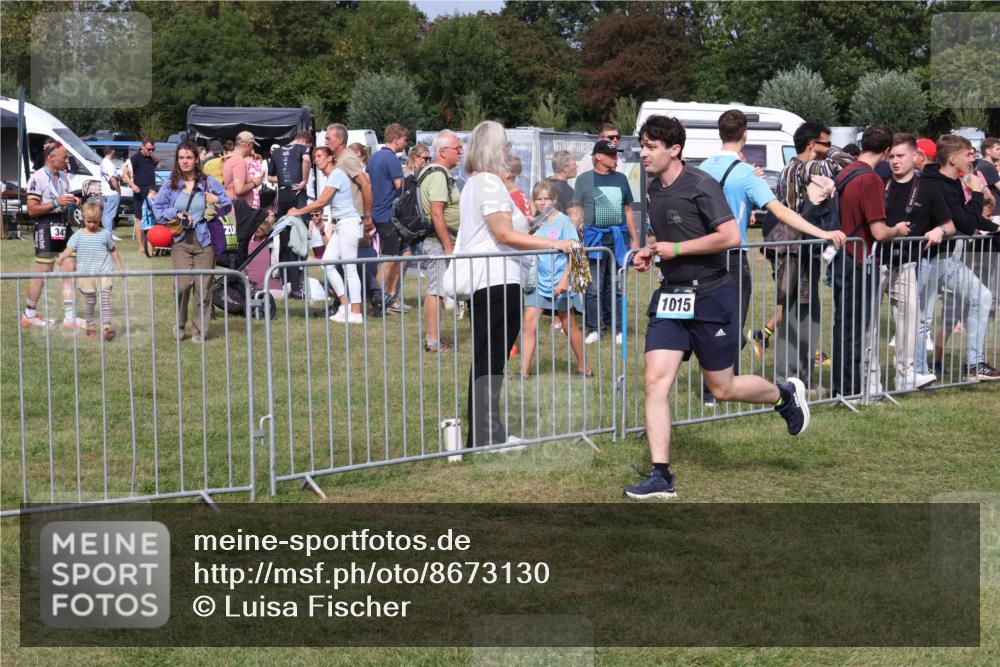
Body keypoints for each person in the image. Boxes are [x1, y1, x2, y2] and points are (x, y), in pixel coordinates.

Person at [623, 115, 809, 500]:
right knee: (655, 381)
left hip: (710, 295)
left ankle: (783, 395)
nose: (642, 153)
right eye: (642, 145)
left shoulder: (701, 184)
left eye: (650, 146)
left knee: (721, 388)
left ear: (674, 150)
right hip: (672, 296)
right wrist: (652, 252)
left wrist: (675, 250)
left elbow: (731, 235)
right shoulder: (653, 189)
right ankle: (661, 476)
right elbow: (669, 235)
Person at [698, 109, 846, 405]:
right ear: (745, 135)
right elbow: (781, 211)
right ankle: (724, 384)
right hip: (732, 254)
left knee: (712, 321)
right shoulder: (744, 173)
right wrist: (821, 231)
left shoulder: (702, 167)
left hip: (703, 254)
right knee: (732, 323)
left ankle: (710, 390)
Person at [458, 121, 574, 448]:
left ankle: (485, 433)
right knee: (491, 360)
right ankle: (485, 435)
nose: (509, 151)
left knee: (490, 359)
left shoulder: (474, 183)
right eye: (505, 146)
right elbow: (504, 235)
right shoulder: (489, 185)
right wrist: (555, 245)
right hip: (497, 279)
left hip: (494, 278)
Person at [762, 121, 855, 387]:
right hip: (795, 249)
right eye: (825, 142)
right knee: (796, 313)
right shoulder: (807, 167)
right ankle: (790, 378)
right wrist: (829, 149)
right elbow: (848, 161)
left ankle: (799, 377)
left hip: (798, 248)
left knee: (802, 310)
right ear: (812, 145)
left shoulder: (792, 167)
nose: (829, 148)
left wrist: (824, 146)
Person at [831, 123, 910, 399]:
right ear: (887, 151)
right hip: (861, 259)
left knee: (843, 324)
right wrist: (897, 229)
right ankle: (852, 389)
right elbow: (878, 231)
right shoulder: (872, 179)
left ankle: (840, 387)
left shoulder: (847, 172)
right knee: (856, 328)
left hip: (842, 257)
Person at [920, 134, 1000, 381]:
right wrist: (976, 194)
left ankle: (975, 364)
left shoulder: (952, 181)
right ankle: (917, 371)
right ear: (953, 158)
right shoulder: (937, 184)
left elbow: (967, 218)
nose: (972, 158)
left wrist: (993, 226)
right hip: (928, 260)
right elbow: (965, 222)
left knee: (982, 296)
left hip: (948, 259)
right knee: (924, 318)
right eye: (969, 154)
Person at [872, 134, 948, 391]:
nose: (895, 161)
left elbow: (948, 224)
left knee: (908, 323)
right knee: (869, 322)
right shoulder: (879, 183)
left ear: (915, 156)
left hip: (908, 266)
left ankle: (906, 375)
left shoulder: (927, 187)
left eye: (900, 156)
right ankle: (871, 380)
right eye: (891, 156)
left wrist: (939, 231)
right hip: (877, 262)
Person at [153, 141, 232, 343]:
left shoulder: (209, 182)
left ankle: (199, 330)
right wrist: (175, 213)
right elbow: (158, 210)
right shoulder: (170, 184)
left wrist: (214, 199)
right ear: (177, 160)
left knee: (203, 287)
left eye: (189, 157)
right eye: (181, 158)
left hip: (205, 242)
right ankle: (179, 324)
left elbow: (227, 205)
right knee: (182, 285)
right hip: (181, 242)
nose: (185, 161)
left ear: (196, 159)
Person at [520, 181, 590, 378]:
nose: (543, 203)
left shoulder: (564, 222)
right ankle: (524, 372)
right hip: (538, 282)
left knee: (569, 325)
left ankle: (584, 366)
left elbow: (573, 252)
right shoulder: (534, 222)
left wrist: (564, 280)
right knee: (529, 323)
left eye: (546, 199)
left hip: (561, 281)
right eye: (539, 199)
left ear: (554, 200)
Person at [288, 146, 364, 324]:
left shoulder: (337, 174)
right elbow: (322, 202)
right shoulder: (332, 177)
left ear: (330, 158)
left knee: (350, 268)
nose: (316, 159)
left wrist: (298, 212)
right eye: (315, 157)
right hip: (340, 225)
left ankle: (356, 312)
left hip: (348, 224)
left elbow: (321, 201)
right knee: (328, 264)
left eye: (320, 156)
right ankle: (345, 306)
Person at [574, 139, 639, 345]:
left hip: (618, 240)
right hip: (594, 241)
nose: (615, 159)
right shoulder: (584, 179)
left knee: (617, 287)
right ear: (598, 157)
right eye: (611, 155)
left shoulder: (621, 179)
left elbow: (628, 210)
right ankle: (594, 328)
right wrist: (573, 237)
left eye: (616, 155)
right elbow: (577, 211)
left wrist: (635, 240)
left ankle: (618, 329)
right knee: (593, 289)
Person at [19, 143, 85, 329]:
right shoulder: (37, 178)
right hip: (45, 225)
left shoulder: (63, 176)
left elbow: (65, 201)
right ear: (51, 157)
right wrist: (56, 202)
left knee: (70, 267)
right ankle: (29, 314)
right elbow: (32, 210)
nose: (67, 161)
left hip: (63, 224)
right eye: (64, 158)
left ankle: (70, 318)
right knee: (43, 271)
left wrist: (74, 202)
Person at [419, 130, 464, 352]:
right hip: (438, 242)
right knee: (435, 291)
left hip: (440, 240)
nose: (461, 152)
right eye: (458, 149)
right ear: (443, 151)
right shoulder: (438, 175)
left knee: (437, 290)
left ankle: (434, 338)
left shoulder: (439, 173)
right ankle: (433, 341)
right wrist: (448, 245)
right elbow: (437, 213)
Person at [56, 200, 124, 341]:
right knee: (90, 303)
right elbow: (70, 248)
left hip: (104, 272)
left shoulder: (105, 234)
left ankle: (106, 328)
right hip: (86, 275)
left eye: (96, 222)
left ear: (100, 219)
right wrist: (62, 257)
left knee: (105, 299)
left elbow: (113, 251)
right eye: (89, 222)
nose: (92, 225)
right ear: (83, 219)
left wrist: (120, 267)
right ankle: (90, 326)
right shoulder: (78, 235)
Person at [367, 123, 408, 314]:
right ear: (396, 139)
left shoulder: (374, 157)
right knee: (389, 259)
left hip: (377, 212)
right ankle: (380, 297)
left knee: (404, 253)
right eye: (404, 139)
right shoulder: (391, 159)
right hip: (387, 214)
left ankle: (391, 296)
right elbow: (400, 186)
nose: (405, 143)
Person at [123, 138, 159, 255]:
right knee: (139, 219)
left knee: (153, 219)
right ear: (142, 147)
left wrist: (155, 160)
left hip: (151, 192)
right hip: (140, 192)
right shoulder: (136, 157)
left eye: (153, 149)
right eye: (149, 149)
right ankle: (141, 247)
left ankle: (151, 246)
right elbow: (124, 173)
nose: (151, 151)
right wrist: (132, 185)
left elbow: (155, 163)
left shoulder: (150, 157)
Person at [224, 131, 263, 208]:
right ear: (248, 145)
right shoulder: (239, 161)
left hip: (233, 207)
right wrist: (255, 183)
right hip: (239, 211)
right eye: (252, 146)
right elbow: (239, 189)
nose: (252, 148)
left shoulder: (229, 158)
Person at [99, 145, 121, 240]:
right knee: (109, 215)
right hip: (111, 192)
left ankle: (110, 232)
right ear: (112, 151)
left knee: (106, 214)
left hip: (106, 192)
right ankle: (109, 234)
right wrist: (118, 190)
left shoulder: (103, 162)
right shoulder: (108, 163)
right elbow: (112, 178)